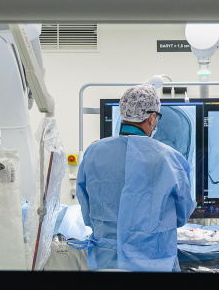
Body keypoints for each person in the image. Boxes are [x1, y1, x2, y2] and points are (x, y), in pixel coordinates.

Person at [77, 84, 196, 271]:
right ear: (152, 117)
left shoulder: (93, 153)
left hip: (106, 260)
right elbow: (183, 213)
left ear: (124, 114)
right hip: (154, 260)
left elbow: (86, 208)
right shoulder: (169, 158)